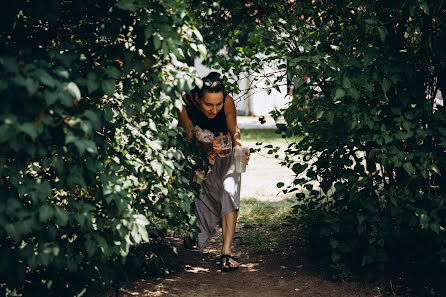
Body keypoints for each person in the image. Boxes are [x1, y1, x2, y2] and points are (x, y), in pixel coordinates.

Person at [177, 72, 250, 272]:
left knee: (229, 190)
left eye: (218, 104)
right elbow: (190, 136)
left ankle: (226, 252)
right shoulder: (184, 104)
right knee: (197, 194)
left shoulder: (227, 102)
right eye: (209, 104)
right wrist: (208, 146)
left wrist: (240, 148)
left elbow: (234, 131)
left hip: (225, 150)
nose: (214, 109)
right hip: (198, 151)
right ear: (198, 98)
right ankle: (193, 233)